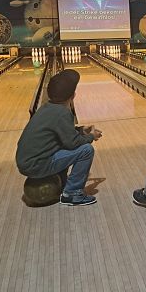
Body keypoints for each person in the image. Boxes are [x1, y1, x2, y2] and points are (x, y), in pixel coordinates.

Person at [16, 69, 101, 206]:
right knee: (86, 150)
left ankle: (63, 184)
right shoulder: (62, 113)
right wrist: (91, 136)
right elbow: (72, 143)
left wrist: (80, 130)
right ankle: (72, 194)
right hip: (37, 165)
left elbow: (60, 133)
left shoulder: (47, 108)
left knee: (64, 146)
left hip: (28, 162)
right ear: (73, 95)